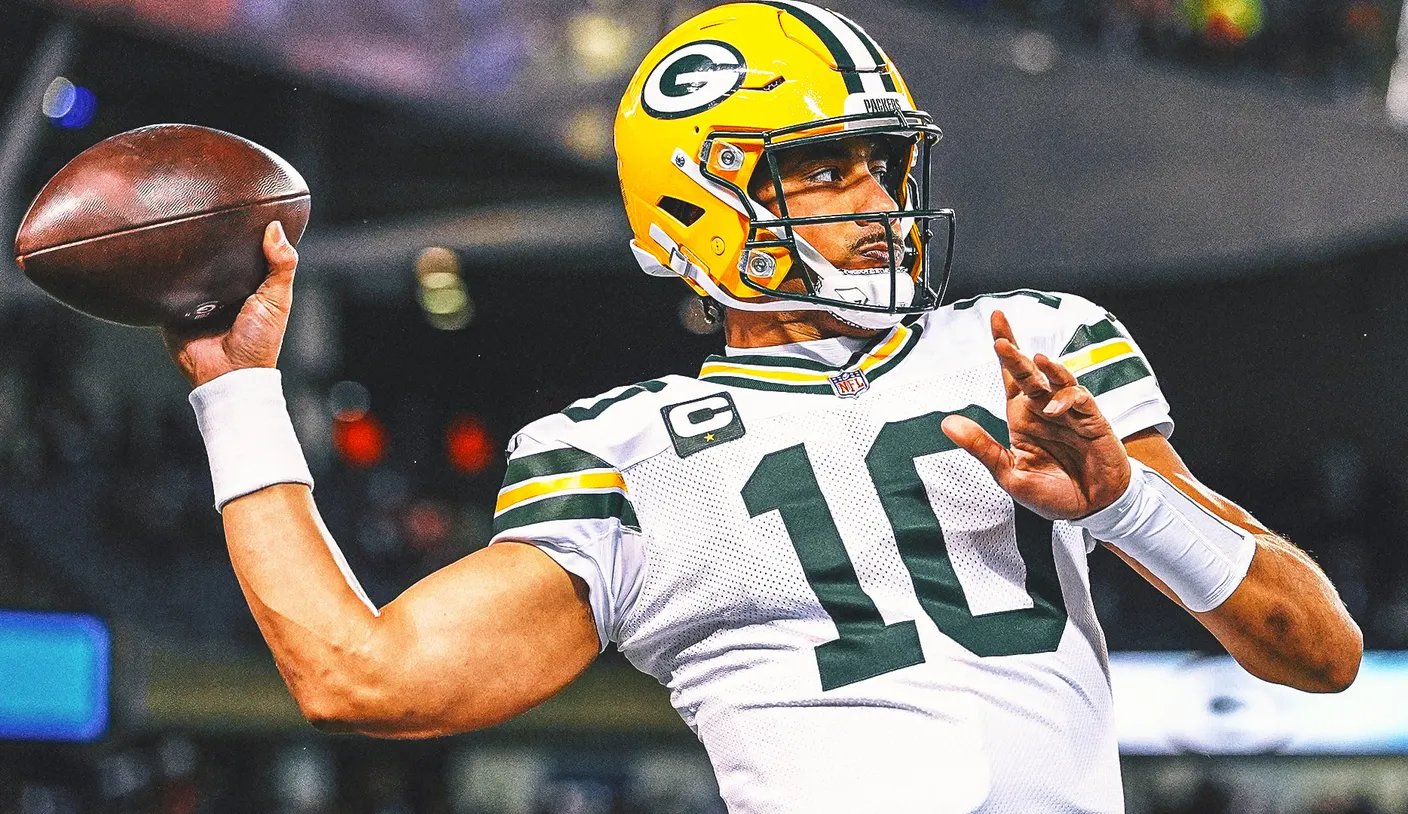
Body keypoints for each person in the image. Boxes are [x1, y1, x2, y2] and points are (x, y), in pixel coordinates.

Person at [164, 3, 1362, 812]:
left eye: (883, 164)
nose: (877, 203)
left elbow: (1318, 653)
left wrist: (1128, 502)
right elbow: (360, 677)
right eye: (824, 169)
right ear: (700, 200)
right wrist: (238, 390)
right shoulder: (617, 450)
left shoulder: (1030, 347)